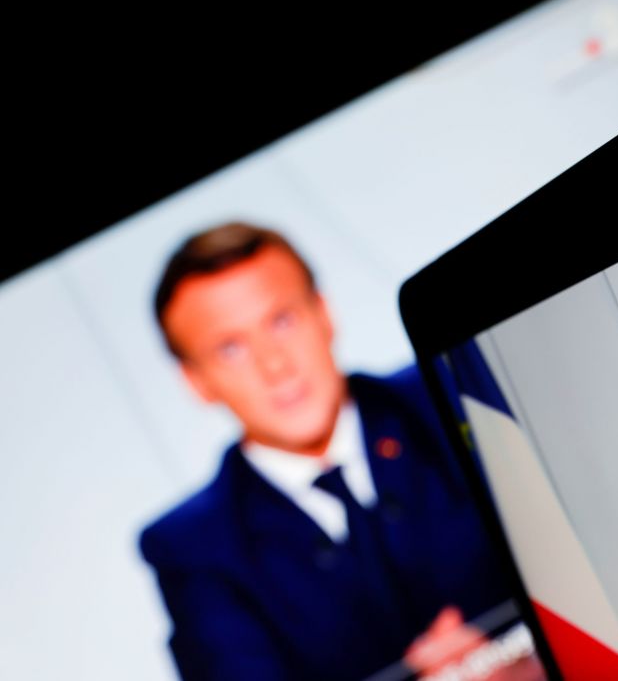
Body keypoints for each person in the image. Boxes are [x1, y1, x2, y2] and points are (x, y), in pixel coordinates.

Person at [139, 223, 513, 681]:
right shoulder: (191, 550)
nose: (275, 365)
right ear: (196, 380)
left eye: (282, 321)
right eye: (231, 348)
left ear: (324, 313)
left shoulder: (453, 390)